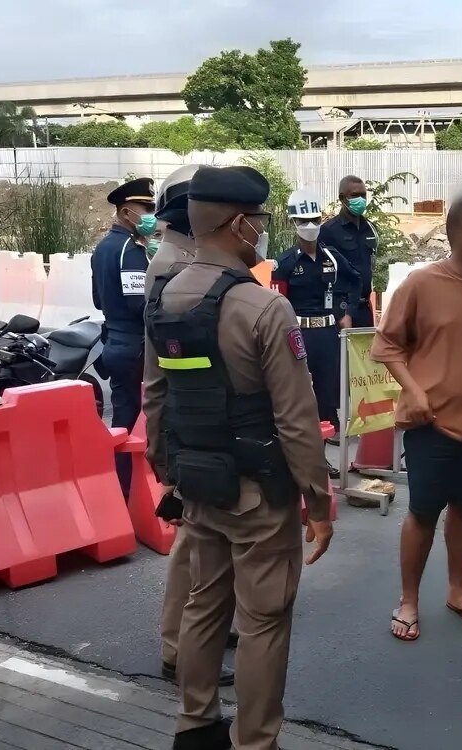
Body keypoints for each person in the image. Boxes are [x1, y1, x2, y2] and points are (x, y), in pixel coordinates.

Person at [142, 166, 334, 750]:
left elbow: (157, 396)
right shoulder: (262, 308)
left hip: (200, 482)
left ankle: (195, 725)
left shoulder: (166, 293)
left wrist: (167, 473)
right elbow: (296, 417)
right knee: (265, 620)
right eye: (262, 222)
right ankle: (256, 740)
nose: (264, 232)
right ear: (241, 224)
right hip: (259, 491)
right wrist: (318, 501)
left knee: (204, 605)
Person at [371, 195, 462, 643]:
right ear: (456, 234)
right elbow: (387, 347)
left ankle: (458, 591)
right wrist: (413, 392)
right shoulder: (421, 283)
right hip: (430, 421)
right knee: (422, 510)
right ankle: (409, 599)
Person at [143, 164, 238, 689]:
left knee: (212, 534)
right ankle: (178, 647)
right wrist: (160, 444)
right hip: (191, 423)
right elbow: (158, 372)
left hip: (205, 419)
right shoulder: (172, 267)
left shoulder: (186, 259)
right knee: (192, 541)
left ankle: (207, 626)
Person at [272, 189, 359, 460]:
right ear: (293, 223)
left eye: (314, 219)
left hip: (327, 333)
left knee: (325, 395)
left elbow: (354, 281)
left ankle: (319, 460)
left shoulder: (331, 257)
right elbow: (277, 301)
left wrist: (346, 310)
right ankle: (297, 459)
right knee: (296, 397)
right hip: (297, 334)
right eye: (302, 221)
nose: (309, 226)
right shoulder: (285, 263)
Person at [92, 176, 156, 495]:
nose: (150, 214)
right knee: (138, 422)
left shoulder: (103, 248)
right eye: (145, 207)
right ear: (126, 210)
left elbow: (98, 300)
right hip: (135, 345)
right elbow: (138, 305)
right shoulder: (129, 250)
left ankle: (120, 489)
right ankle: (131, 491)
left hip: (115, 342)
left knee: (123, 419)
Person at [319, 175, 378, 328]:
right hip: (342, 310)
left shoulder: (370, 229)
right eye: (354, 195)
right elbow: (324, 275)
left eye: (363, 195)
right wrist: (342, 313)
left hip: (364, 307)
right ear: (342, 198)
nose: (360, 200)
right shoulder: (328, 231)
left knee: (365, 352)